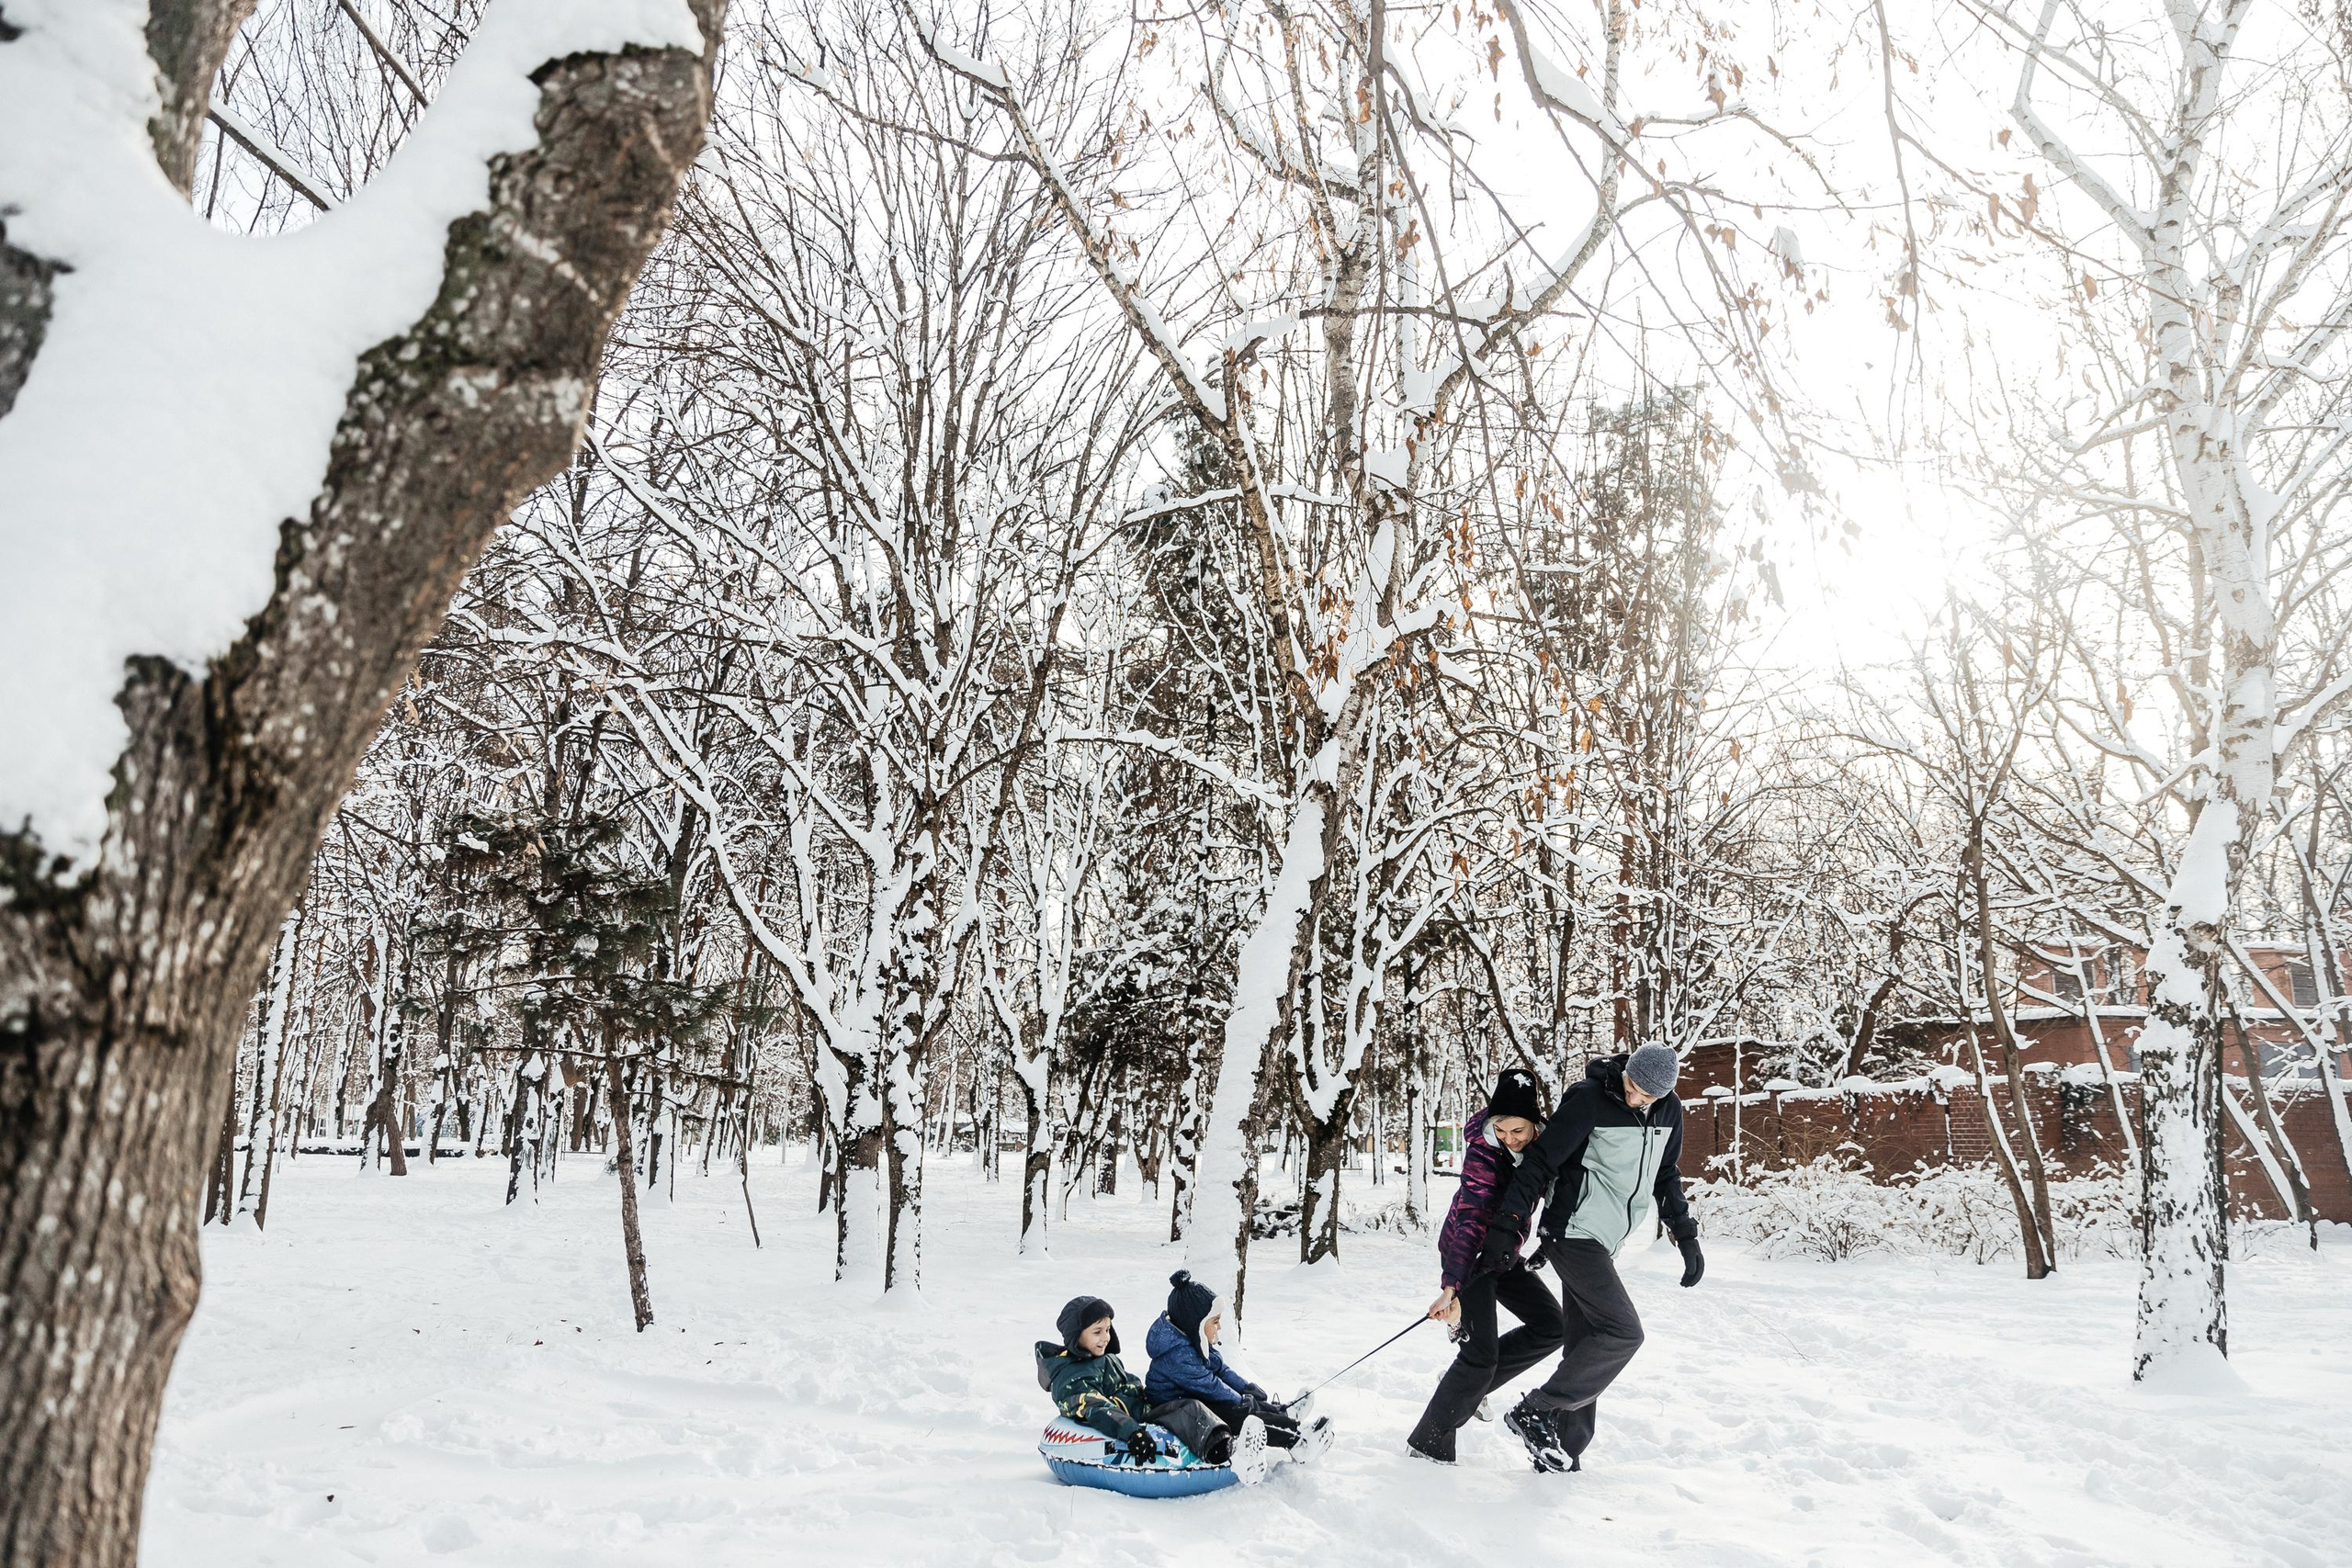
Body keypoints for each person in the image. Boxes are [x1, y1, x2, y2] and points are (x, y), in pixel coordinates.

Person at [1475, 1044, 1704, 1473]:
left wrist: (1685, 1235)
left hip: (1606, 1238)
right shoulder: (1590, 1098)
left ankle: (1562, 1453)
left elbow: (1666, 1174)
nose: (1638, 1100)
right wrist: (1507, 1226)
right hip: (1572, 1230)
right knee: (1622, 1333)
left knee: (1586, 1345)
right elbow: (1540, 1163)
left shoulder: (1669, 1111)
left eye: (1649, 1097)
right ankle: (1535, 1411)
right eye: (1634, 1088)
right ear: (1626, 1073)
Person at [1405, 1067, 1566, 1464]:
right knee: (1479, 1358)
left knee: (1552, 1326)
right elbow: (1473, 1217)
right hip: (1471, 1252)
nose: (1510, 1138)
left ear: (1534, 1125)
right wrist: (1452, 1284)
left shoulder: (1542, 1149)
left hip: (1505, 1253)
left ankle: (1466, 1387)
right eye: (1502, 1129)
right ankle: (1428, 1444)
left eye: (1519, 1131)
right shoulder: (1482, 1152)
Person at [1035, 1294, 1269, 1480]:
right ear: (1076, 1336)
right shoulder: (1070, 1377)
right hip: (1135, 1418)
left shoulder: (1104, 1359)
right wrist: (1131, 1431)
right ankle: (1229, 1451)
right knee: (1190, 1409)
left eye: (1107, 1330)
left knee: (1196, 1398)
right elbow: (1096, 1407)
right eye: (1097, 1332)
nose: (1105, 1338)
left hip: (1143, 1406)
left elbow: (1129, 1382)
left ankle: (1265, 1420)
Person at [1146, 1270, 1334, 1461]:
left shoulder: (1190, 1338)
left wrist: (1245, 1388)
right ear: (1197, 1324)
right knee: (1238, 1414)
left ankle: (1284, 1416)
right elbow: (1210, 1384)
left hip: (1195, 1396)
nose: (1219, 1328)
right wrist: (1239, 1400)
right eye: (1215, 1322)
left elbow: (1220, 1369)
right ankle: (1296, 1440)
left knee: (1245, 1402)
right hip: (1177, 1409)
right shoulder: (1178, 1355)